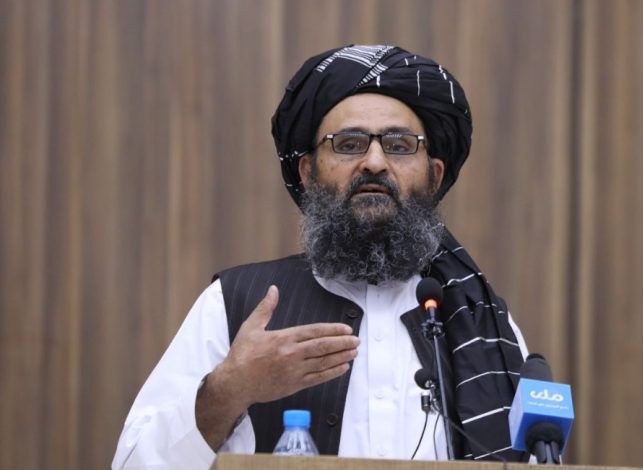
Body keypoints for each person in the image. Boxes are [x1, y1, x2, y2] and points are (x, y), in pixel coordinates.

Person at [112, 44, 530, 469]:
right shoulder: (236, 302)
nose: (374, 162)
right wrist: (229, 390)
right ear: (308, 173)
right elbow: (135, 463)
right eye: (348, 144)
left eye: (400, 145)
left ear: (434, 176)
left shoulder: (479, 321)